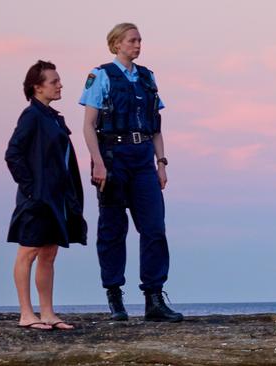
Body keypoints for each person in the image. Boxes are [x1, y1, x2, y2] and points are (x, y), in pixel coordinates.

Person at [80, 23, 183, 322]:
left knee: (154, 228)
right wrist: (98, 161)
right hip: (112, 157)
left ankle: (154, 299)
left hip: (143, 161)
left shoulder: (147, 77)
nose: (137, 45)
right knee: (112, 230)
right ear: (116, 44)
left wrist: (161, 163)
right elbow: (88, 124)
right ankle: (115, 297)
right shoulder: (101, 76)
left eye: (139, 40)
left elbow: (155, 127)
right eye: (132, 40)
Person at [5, 60, 87, 330]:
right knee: (28, 252)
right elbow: (13, 154)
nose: (60, 84)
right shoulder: (31, 116)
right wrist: (32, 189)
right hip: (37, 199)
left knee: (49, 253)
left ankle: (48, 313)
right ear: (37, 87)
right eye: (54, 81)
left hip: (56, 199)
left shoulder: (52, 117)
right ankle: (26, 314)